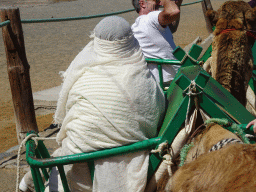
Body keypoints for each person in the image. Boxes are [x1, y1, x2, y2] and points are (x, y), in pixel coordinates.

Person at [20, 16, 165, 192]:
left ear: (98, 42)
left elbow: (69, 114)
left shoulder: (83, 78)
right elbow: (154, 117)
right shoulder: (145, 81)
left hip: (75, 176)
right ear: (129, 42)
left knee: (69, 142)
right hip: (126, 171)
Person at [131, 0, 183, 85]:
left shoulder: (135, 26)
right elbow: (174, 12)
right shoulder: (150, 17)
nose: (159, 2)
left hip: (157, 79)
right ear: (142, 4)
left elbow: (172, 27)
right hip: (173, 79)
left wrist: (176, 4)